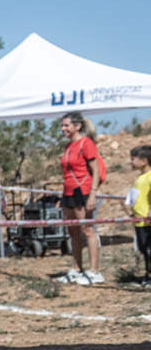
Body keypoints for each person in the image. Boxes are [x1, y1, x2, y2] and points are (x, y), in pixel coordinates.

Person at [56, 112, 105, 285]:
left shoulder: (86, 143)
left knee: (87, 230)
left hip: (83, 191)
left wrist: (92, 194)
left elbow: (96, 170)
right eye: (62, 126)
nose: (63, 129)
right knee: (73, 232)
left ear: (77, 126)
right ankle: (77, 269)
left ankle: (94, 271)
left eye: (66, 125)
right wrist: (62, 197)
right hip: (68, 193)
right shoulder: (68, 146)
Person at [125, 144, 150, 286]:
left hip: (147, 221)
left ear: (144, 161)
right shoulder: (140, 177)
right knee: (143, 249)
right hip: (139, 220)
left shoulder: (149, 177)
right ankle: (148, 274)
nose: (131, 162)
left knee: (149, 249)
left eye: (133, 159)